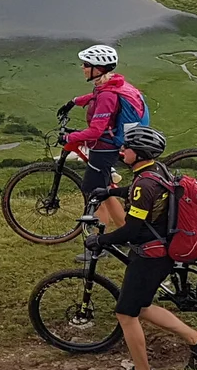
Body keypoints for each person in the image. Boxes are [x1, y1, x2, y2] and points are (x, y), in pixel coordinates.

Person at [85, 124, 197, 370]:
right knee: (142, 306)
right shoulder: (155, 170)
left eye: (127, 147)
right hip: (159, 250)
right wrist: (110, 192)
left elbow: (131, 229)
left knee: (126, 314)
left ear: (140, 152)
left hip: (150, 256)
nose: (122, 150)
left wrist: (101, 240)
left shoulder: (143, 183)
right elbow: (140, 192)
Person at [60, 44, 150, 235]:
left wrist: (69, 137)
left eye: (86, 65)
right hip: (111, 143)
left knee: (94, 193)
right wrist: (74, 102)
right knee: (105, 191)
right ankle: (126, 233)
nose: (83, 68)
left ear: (98, 69)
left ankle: (98, 240)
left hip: (104, 148)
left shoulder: (107, 95)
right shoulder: (111, 84)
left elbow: (95, 131)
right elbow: (95, 96)